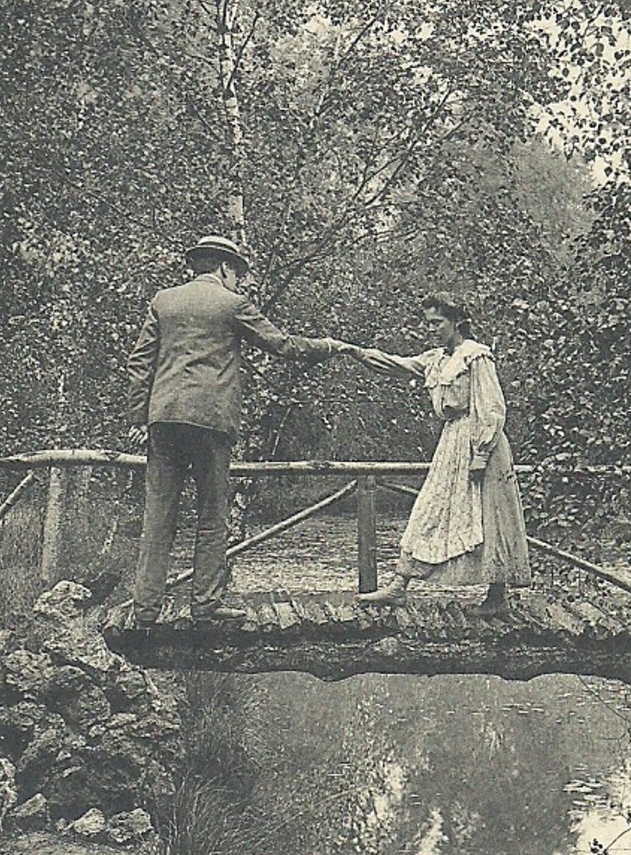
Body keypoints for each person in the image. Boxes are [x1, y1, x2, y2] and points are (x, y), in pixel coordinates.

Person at [124, 235, 343, 624]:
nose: (239, 282)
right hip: (211, 421)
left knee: (158, 515)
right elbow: (284, 345)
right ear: (225, 268)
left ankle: (145, 611)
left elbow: (140, 362)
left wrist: (138, 417)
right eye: (237, 274)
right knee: (212, 516)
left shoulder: (163, 300)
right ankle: (205, 605)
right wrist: (327, 346)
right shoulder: (232, 304)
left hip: (164, 419)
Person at [345, 295, 531, 609]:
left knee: (490, 514)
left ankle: (498, 594)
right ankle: (399, 584)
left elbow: (492, 406)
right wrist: (354, 351)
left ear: (457, 321)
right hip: (451, 443)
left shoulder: (476, 356)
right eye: (428, 323)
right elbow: (395, 364)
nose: (431, 329)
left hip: (479, 441)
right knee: (431, 508)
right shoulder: (437, 359)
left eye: (437, 323)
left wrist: (482, 452)